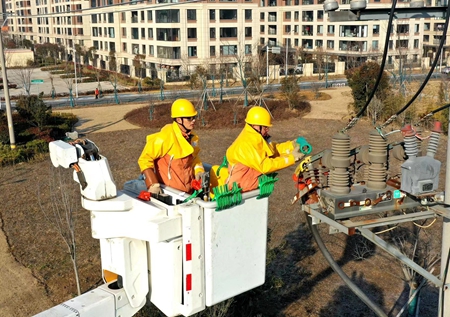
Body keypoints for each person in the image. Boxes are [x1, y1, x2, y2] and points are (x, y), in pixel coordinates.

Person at [225, 106, 304, 192]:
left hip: (248, 188)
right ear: (255, 125)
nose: (267, 130)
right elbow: (265, 166)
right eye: (265, 127)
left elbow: (272, 149)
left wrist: (292, 145)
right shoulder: (247, 144)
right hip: (238, 192)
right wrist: (291, 158)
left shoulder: (255, 136)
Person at [138, 99, 205, 194]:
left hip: (188, 193)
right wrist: (152, 184)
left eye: (194, 117)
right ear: (178, 120)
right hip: (170, 193)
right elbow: (144, 159)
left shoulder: (192, 137)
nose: (193, 120)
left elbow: (194, 158)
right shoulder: (165, 137)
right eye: (189, 118)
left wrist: (199, 170)